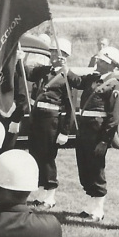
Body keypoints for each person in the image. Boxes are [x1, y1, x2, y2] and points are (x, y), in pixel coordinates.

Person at [66, 45, 119, 221]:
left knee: (96, 169)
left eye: (102, 61)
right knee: (85, 168)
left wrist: (105, 141)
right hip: (84, 130)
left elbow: (113, 118)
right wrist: (65, 69)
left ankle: (98, 210)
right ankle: (90, 206)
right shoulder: (93, 78)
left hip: (97, 133)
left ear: (111, 65)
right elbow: (77, 82)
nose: (97, 62)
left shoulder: (114, 85)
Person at [25, 38, 75, 209]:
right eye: (52, 51)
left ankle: (50, 195)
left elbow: (70, 107)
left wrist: (65, 131)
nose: (53, 55)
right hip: (37, 118)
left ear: (65, 56)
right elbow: (28, 73)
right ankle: (40, 193)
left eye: (56, 52)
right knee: (36, 155)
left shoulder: (66, 76)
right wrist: (19, 59)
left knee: (47, 158)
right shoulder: (44, 71)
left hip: (51, 120)